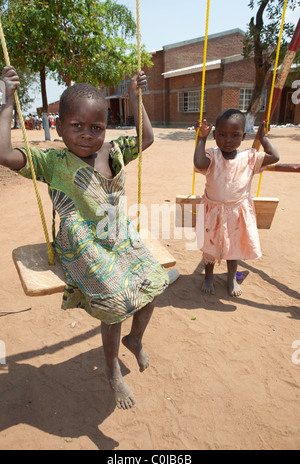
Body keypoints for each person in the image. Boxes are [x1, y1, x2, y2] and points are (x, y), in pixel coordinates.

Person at [0, 65, 172, 410]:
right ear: (61, 126)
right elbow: (3, 155)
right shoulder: (50, 161)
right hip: (79, 242)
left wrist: (137, 100)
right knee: (115, 302)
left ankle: (134, 340)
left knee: (155, 280)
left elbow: (147, 138)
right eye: (76, 126)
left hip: (115, 232)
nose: (86, 134)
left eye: (97, 127)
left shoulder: (114, 152)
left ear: (105, 129)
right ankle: (111, 372)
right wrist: (6, 103)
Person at [194, 109, 280, 297]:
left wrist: (263, 138)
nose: (228, 140)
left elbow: (275, 157)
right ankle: (208, 277)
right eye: (222, 134)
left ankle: (231, 277)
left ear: (243, 136)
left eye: (235, 135)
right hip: (213, 211)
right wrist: (201, 139)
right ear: (215, 135)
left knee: (233, 250)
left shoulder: (249, 157)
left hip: (237, 213)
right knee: (210, 246)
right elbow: (199, 164)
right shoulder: (211, 156)